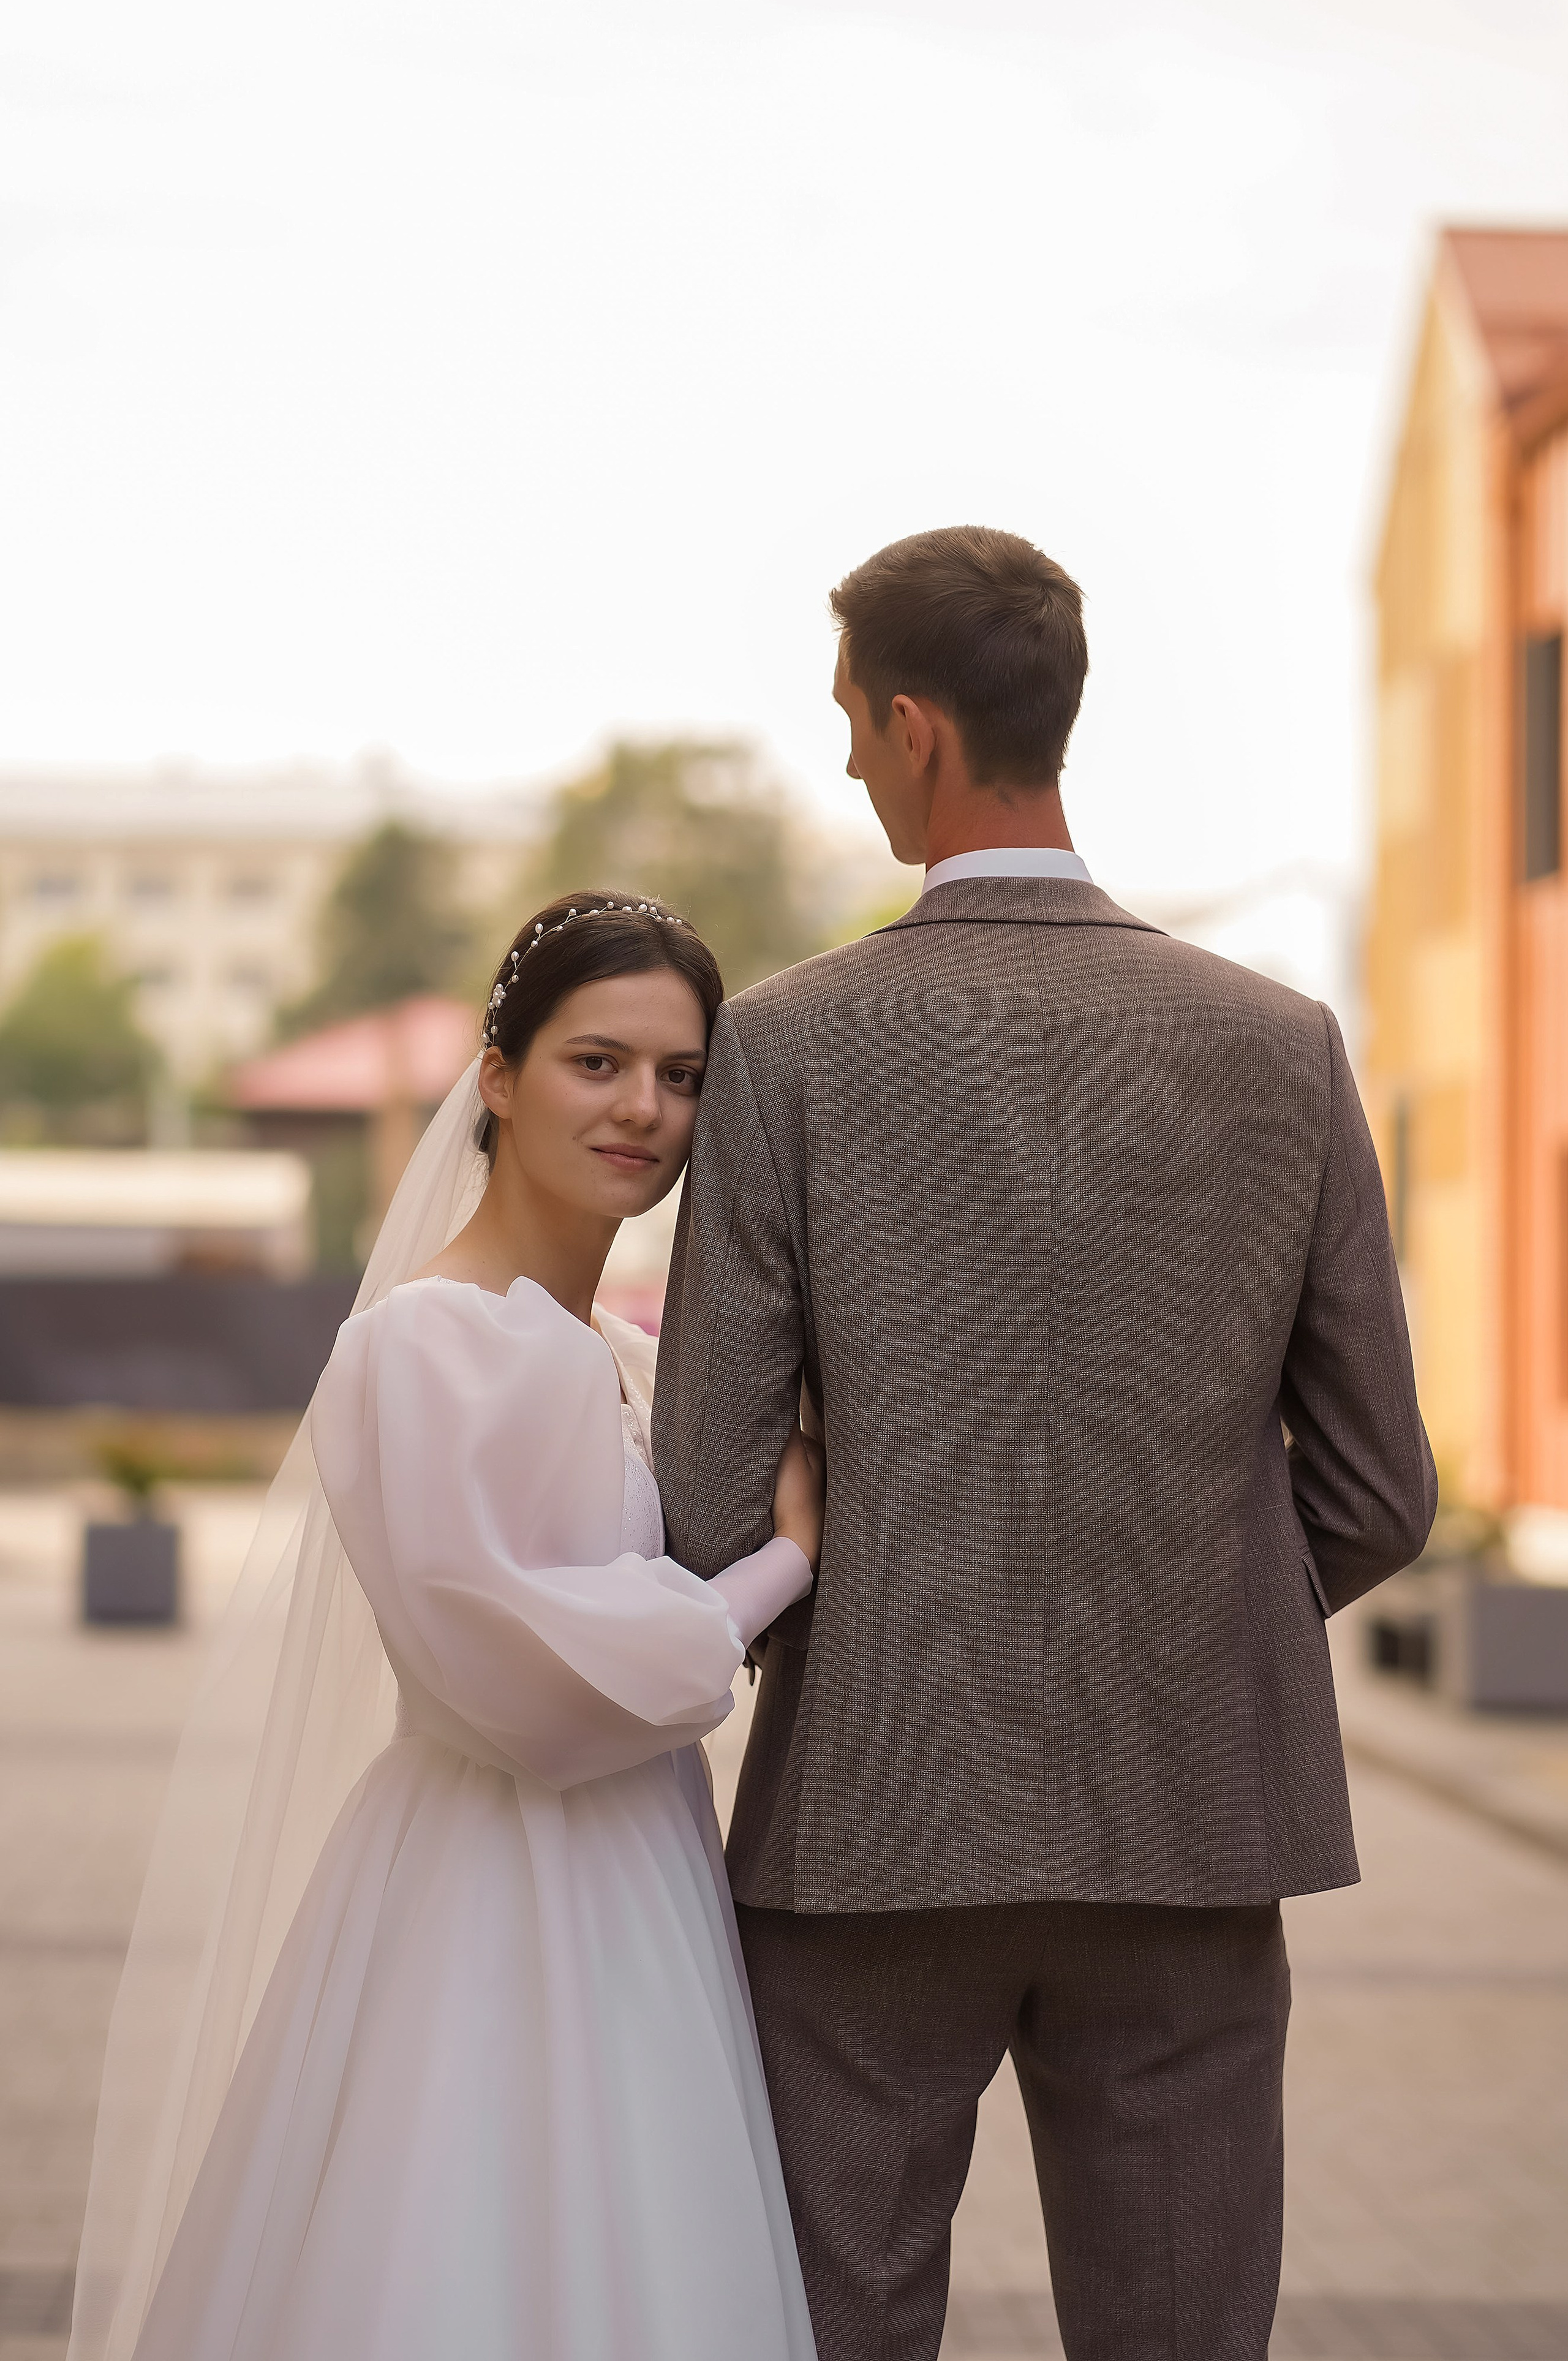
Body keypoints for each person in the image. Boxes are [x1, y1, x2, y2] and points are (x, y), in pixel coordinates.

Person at [653, 526, 1438, 2361]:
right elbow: (1383, 1485)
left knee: (831, 2326)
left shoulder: (787, 1049)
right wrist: (1193, 1609)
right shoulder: (1281, 1045)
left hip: (864, 1833)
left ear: (916, 727)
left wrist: (885, 1611)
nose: (847, 761)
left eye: (850, 721)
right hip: (1187, 1820)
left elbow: (704, 1497)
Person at [69, 892, 821, 2361]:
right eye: (594, 1062)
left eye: (680, 1076)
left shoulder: (622, 1356)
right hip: (485, 1891)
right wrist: (782, 1564)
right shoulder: (425, 1342)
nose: (644, 1110)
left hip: (643, 1887)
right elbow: (521, 1683)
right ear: (496, 1076)